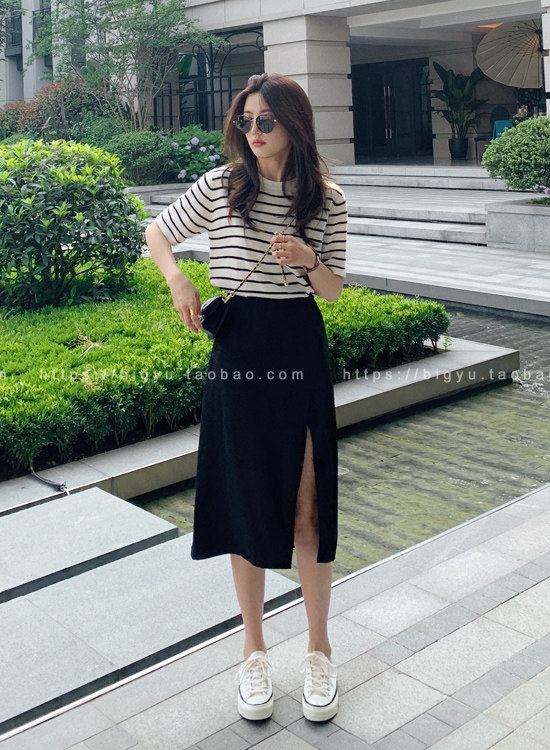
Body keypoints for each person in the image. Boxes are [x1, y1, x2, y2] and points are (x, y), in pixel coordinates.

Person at [145, 72, 347, 723]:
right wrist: (178, 279)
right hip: (239, 349)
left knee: (308, 506)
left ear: (294, 123)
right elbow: (157, 232)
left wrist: (309, 258)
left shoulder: (326, 198)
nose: (253, 132)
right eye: (246, 121)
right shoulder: (222, 186)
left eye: (266, 121)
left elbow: (334, 290)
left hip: (297, 344)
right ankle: (253, 651)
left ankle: (319, 649)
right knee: (244, 499)